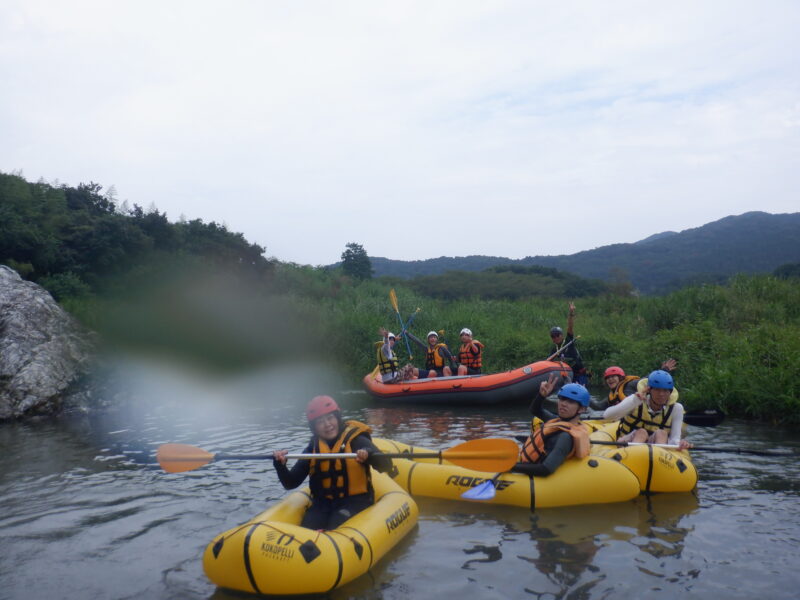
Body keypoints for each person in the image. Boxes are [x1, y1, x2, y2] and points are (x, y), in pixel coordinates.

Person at [272, 395, 393, 530]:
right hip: (322, 504)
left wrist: (369, 454)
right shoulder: (313, 448)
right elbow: (290, 483)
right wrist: (280, 465)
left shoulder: (356, 440)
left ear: (337, 418)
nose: (327, 424)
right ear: (314, 427)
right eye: (320, 422)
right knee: (307, 528)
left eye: (330, 418)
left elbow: (386, 466)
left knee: (336, 525)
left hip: (355, 502)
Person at [511, 375, 591, 477]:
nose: (563, 404)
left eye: (570, 402)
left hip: (538, 473)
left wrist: (511, 466)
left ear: (582, 409)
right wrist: (541, 395)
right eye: (562, 399)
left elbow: (546, 469)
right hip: (532, 461)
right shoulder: (555, 420)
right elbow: (535, 410)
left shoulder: (566, 437)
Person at [602, 370, 691, 450]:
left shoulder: (676, 408)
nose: (661, 394)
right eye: (657, 390)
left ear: (670, 392)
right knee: (641, 432)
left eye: (665, 391)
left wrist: (680, 444)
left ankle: (659, 459)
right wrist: (634, 400)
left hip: (658, 451)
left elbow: (675, 439)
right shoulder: (636, 401)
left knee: (662, 433)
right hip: (628, 444)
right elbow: (607, 416)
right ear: (649, 390)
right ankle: (634, 455)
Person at [600, 359, 677, 409]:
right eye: (607, 378)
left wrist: (664, 370)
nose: (610, 379)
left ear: (620, 378)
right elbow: (598, 406)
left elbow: (648, 379)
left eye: (613, 376)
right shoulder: (611, 396)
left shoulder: (631, 384)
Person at [549, 302, 589, 386]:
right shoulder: (554, 350)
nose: (556, 337)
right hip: (568, 376)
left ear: (561, 335)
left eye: (557, 335)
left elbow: (570, 327)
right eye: (553, 336)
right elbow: (549, 363)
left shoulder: (568, 341)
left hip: (579, 373)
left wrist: (571, 313)